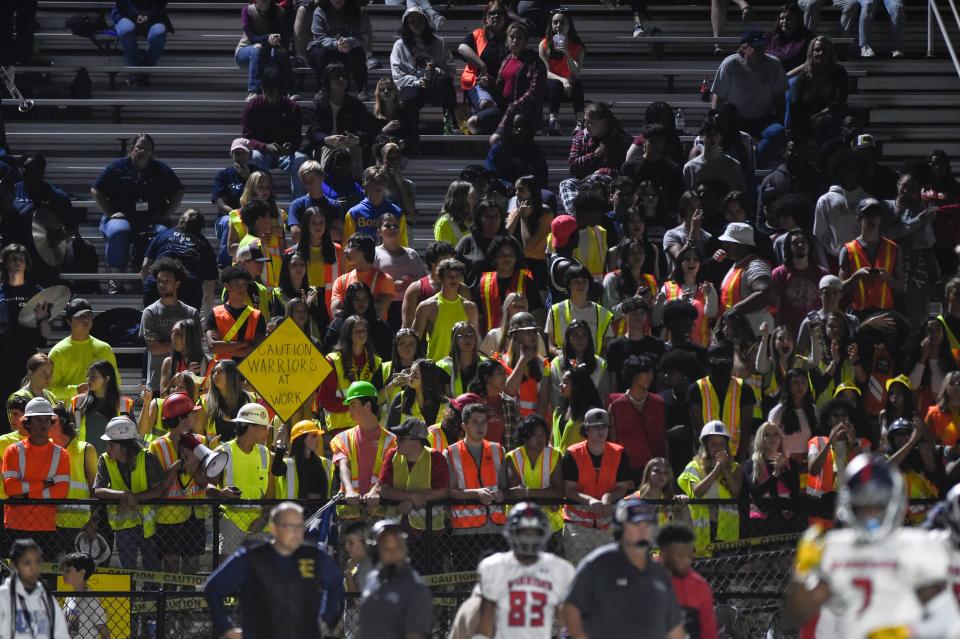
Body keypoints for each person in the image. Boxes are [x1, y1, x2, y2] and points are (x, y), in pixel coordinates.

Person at [786, 455, 953, 636]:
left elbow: (946, 615)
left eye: (877, 506)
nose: (870, 514)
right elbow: (801, 613)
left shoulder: (915, 545)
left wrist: (911, 632)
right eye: (862, 506)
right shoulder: (834, 547)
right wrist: (802, 573)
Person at [204, 502, 344, 639]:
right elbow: (213, 588)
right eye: (289, 526)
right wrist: (227, 628)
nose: (296, 532)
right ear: (274, 528)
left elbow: (335, 584)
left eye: (299, 526)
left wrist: (324, 619)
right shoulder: (252, 557)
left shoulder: (313, 555)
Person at [563, 497, 684, 638]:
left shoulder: (659, 573)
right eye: (636, 524)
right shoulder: (598, 564)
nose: (642, 530)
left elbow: (674, 625)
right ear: (619, 528)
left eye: (647, 524)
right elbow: (570, 609)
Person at [91, 134, 183, 289]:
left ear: (152, 152)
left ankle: (152, 281)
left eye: (146, 148)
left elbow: (178, 191)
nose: (142, 151)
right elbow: (96, 191)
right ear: (131, 149)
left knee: (162, 234)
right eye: (139, 147)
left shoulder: (160, 169)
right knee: (119, 231)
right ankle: (116, 281)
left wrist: (166, 214)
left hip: (150, 220)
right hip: (122, 218)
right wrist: (109, 213)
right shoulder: (117, 167)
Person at [475, 502, 575, 639]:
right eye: (523, 533)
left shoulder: (560, 569)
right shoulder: (493, 566)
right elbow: (485, 619)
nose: (528, 539)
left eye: (533, 533)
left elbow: (564, 622)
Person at [93, 416, 172, 570]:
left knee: (152, 571)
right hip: (124, 528)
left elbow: (160, 490)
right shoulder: (105, 460)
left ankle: (150, 594)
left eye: (111, 444)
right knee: (127, 572)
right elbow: (98, 490)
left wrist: (133, 497)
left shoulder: (147, 457)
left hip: (149, 528)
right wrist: (123, 495)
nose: (107, 448)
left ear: (125, 447)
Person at [148, 392, 210, 576]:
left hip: (195, 514)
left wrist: (192, 468)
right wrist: (175, 468)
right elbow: (157, 486)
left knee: (192, 565)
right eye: (192, 413)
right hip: (168, 517)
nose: (196, 416)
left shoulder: (201, 442)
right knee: (171, 566)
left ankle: (189, 604)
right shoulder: (156, 446)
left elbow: (205, 481)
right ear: (182, 418)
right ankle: (168, 603)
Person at [561, 408, 632, 564]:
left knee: (606, 574)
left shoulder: (619, 453)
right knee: (577, 573)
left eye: (604, 426)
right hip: (577, 526)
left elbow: (622, 486)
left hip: (607, 525)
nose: (601, 431)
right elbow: (568, 489)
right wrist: (590, 501)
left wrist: (609, 496)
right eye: (595, 427)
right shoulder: (572, 453)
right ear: (586, 430)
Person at [377, 419, 449, 572]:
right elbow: (384, 488)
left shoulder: (436, 458)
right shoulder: (392, 455)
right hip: (397, 530)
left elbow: (443, 490)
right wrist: (413, 497)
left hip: (430, 533)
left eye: (401, 438)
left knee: (430, 577)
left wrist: (411, 499)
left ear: (416, 441)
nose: (397, 441)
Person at [2, 398, 70, 556]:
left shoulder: (61, 454)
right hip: (15, 525)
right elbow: (11, 488)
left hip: (46, 526)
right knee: (16, 577)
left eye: (47, 420)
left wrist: (26, 495)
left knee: (44, 577)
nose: (43, 424)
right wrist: (44, 484)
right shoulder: (13, 451)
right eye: (38, 419)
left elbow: (61, 492)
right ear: (28, 423)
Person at [207, 403, 276, 558]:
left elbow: (270, 493)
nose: (267, 431)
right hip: (230, 522)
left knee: (258, 574)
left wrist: (263, 519)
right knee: (229, 573)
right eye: (263, 427)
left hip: (259, 523)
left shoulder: (267, 455)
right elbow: (207, 486)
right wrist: (221, 493)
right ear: (249, 427)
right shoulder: (222, 452)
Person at [445, 401, 508, 571]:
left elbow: (505, 486)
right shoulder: (451, 452)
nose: (481, 426)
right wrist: (476, 493)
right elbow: (450, 492)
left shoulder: (498, 450)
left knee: (497, 579)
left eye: (484, 422)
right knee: (467, 581)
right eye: (475, 422)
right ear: (464, 425)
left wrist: (503, 494)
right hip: (465, 530)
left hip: (496, 528)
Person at [710, 30, 787, 167]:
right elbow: (718, 99)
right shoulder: (730, 64)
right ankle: (748, 163)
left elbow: (780, 100)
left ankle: (752, 163)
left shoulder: (774, 65)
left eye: (763, 46)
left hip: (763, 121)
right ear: (744, 47)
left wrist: (777, 121)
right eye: (756, 46)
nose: (760, 50)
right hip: (735, 120)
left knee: (778, 131)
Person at [391, 7, 459, 144]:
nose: (416, 23)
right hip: (414, 86)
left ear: (426, 21)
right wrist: (417, 82)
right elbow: (397, 73)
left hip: (435, 87)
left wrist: (437, 71)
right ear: (406, 24)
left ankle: (451, 121)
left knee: (445, 81)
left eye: (419, 20)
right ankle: (411, 138)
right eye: (412, 21)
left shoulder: (438, 42)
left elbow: (450, 66)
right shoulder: (399, 45)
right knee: (409, 98)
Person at [330, 381, 396, 519]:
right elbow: (344, 466)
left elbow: (389, 471)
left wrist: (376, 490)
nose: (349, 411)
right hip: (350, 513)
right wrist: (349, 490)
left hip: (379, 512)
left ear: (367, 406)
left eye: (353, 405)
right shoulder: (343, 438)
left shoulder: (392, 441)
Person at [357, 519, 433, 639]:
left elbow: (415, 635)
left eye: (398, 547)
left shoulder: (415, 588)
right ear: (377, 551)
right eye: (387, 548)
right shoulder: (371, 579)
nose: (393, 553)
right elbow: (364, 628)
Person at [678, 421, 743, 556]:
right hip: (701, 528)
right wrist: (716, 470)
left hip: (725, 529)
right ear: (705, 446)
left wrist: (724, 469)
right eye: (713, 444)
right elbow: (697, 492)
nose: (718, 448)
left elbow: (736, 492)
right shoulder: (693, 466)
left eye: (721, 444)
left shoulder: (734, 467)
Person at [139, 257, 202, 393]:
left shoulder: (191, 313)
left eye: (167, 281)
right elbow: (154, 348)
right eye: (159, 281)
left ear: (177, 283)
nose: (162, 284)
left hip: (188, 383)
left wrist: (164, 342)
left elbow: (196, 345)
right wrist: (183, 343)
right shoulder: (150, 312)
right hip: (156, 384)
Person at [241, 71, 308, 200]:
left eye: (277, 94)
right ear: (263, 90)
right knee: (254, 156)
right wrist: (265, 146)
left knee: (301, 159)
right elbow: (247, 138)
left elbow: (297, 138)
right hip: (262, 152)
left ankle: (297, 203)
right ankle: (260, 201)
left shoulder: (292, 107)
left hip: (286, 154)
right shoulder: (252, 107)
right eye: (270, 93)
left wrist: (290, 146)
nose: (274, 98)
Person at [838, 198, 904, 317]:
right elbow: (840, 290)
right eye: (867, 215)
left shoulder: (893, 248)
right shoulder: (848, 250)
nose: (872, 219)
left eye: (876, 215)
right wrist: (856, 276)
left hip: (885, 314)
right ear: (859, 219)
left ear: (880, 220)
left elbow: (901, 287)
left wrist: (888, 278)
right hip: (858, 314)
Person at [688, 347, 756, 461]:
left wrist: (740, 460)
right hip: (706, 456)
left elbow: (746, 429)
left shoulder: (744, 389)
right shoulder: (696, 389)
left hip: (735, 455)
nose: (720, 362)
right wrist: (703, 457)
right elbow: (697, 428)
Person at [608, 355, 667, 487]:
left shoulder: (658, 402)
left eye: (652, 373)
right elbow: (612, 441)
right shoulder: (616, 404)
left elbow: (663, 437)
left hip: (654, 468)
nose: (650, 377)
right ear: (633, 375)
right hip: (625, 468)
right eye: (645, 373)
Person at [141, 210, 217, 312]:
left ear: (180, 221)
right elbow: (209, 287)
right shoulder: (204, 244)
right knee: (184, 326)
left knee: (154, 325)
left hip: (159, 282)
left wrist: (149, 286)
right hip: (189, 285)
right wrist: (208, 318)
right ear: (201, 227)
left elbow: (145, 266)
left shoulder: (163, 235)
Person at [48, 302, 121, 405]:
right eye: (80, 317)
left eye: (88, 315)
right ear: (69, 321)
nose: (86, 320)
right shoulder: (58, 351)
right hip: (70, 416)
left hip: (100, 412)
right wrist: (75, 390)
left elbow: (116, 382)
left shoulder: (105, 348)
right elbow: (49, 390)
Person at [657, 522, 719, 639]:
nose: (686, 561)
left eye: (689, 556)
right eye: (680, 556)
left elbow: (709, 633)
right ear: (664, 552)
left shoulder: (699, 586)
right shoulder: (645, 580)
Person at [0, 539, 70, 639]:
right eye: (27, 562)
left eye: (37, 561)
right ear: (15, 565)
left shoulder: (46, 599)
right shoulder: (3, 597)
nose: (33, 567)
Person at [413, 258, 479, 362]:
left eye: (457, 276)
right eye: (449, 276)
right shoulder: (426, 307)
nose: (454, 279)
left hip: (462, 368)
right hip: (435, 368)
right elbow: (413, 342)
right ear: (440, 278)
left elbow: (475, 341)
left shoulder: (470, 308)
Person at [812, 149, 873, 260]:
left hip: (863, 259)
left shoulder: (869, 199)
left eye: (855, 169)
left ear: (860, 171)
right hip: (835, 259)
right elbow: (819, 236)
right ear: (838, 171)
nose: (851, 172)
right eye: (846, 169)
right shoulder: (826, 200)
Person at [545, 265, 614, 357]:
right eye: (576, 281)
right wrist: (563, 357)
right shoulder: (555, 311)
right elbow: (551, 346)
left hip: (594, 367)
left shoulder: (602, 313)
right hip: (563, 366)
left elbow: (606, 347)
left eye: (584, 281)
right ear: (569, 284)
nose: (581, 284)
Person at [205, 267, 266, 368]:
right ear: (226, 286)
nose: (241, 288)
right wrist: (243, 344)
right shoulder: (215, 314)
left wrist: (224, 348)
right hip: (221, 371)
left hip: (249, 371)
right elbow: (213, 346)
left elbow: (256, 350)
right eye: (236, 283)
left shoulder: (257, 316)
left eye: (244, 284)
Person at [308, 0, 369, 95]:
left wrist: (349, 42)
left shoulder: (356, 11)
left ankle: (362, 89)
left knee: (359, 52)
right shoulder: (320, 11)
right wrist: (336, 44)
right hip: (322, 48)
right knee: (321, 52)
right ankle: (322, 89)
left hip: (346, 48)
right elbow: (319, 38)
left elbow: (361, 37)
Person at [540, 9, 585, 137]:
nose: (558, 26)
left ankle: (580, 122)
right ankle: (553, 122)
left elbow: (576, 73)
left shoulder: (578, 47)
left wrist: (567, 54)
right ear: (551, 25)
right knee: (555, 84)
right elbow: (546, 72)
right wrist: (563, 80)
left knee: (576, 83)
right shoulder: (544, 44)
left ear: (569, 25)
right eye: (555, 22)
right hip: (551, 87)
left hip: (569, 87)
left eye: (562, 22)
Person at [374, 213, 425, 328]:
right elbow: (369, 283)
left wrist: (413, 284)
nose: (392, 228)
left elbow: (423, 282)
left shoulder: (412, 254)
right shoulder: (374, 254)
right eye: (387, 226)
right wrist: (390, 286)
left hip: (411, 307)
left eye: (395, 226)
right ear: (379, 232)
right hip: (385, 309)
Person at [236, 0, 294, 98]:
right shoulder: (248, 11)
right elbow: (252, 38)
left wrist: (278, 39)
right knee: (258, 48)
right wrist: (267, 38)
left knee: (282, 52)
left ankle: (288, 91)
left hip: (269, 53)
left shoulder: (279, 11)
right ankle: (254, 90)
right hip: (246, 51)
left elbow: (285, 37)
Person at [331, 234, 396, 319]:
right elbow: (335, 311)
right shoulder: (341, 280)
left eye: (349, 246)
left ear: (362, 250)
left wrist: (348, 312)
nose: (345, 250)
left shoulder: (384, 279)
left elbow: (379, 310)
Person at [344, 166, 408, 247]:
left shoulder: (397, 212)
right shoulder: (354, 213)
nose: (378, 185)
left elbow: (403, 245)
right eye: (374, 181)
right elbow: (347, 246)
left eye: (382, 182)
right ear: (365, 186)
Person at [111, 0, 171, 86]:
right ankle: (140, 75)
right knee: (126, 30)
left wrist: (148, 16)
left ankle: (138, 76)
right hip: (125, 12)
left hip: (153, 14)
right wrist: (137, 15)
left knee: (159, 32)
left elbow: (161, 3)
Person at [568, 102, 632, 180]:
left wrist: (603, 172)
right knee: (566, 183)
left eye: (590, 122)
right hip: (585, 184)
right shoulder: (581, 137)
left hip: (612, 183)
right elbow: (572, 167)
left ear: (604, 122)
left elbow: (627, 170)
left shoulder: (623, 139)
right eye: (585, 121)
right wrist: (595, 154)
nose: (585, 125)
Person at [683, 115, 745, 193]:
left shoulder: (733, 166)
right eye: (708, 133)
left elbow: (741, 198)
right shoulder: (690, 168)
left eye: (715, 133)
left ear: (721, 137)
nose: (712, 137)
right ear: (701, 136)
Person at [60, 552, 109, 639]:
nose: (63, 573)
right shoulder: (69, 597)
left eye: (68, 570)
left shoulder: (91, 600)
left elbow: (104, 631)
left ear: (82, 573)